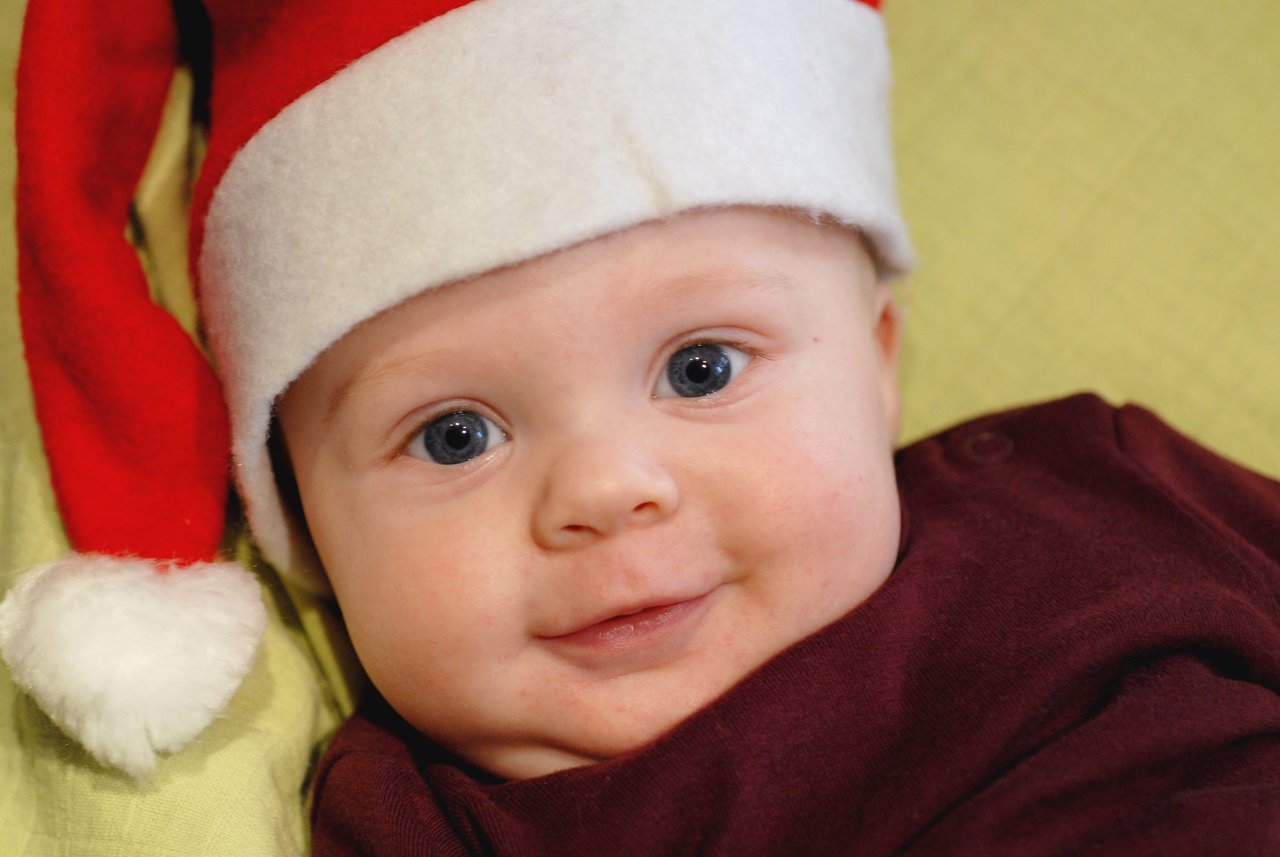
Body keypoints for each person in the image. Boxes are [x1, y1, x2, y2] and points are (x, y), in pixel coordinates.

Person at [3, 0, 1279, 854]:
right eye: (453, 435)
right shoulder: (414, 823)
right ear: (305, 532)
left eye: (702, 364)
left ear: (879, 364)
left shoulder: (1095, 492)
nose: (605, 489)